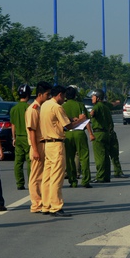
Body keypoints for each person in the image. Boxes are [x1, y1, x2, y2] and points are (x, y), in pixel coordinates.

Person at [39, 85, 86, 217]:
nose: (64, 99)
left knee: (47, 177)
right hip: (56, 143)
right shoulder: (57, 107)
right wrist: (81, 120)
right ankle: (56, 206)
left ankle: (46, 205)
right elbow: (68, 126)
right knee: (56, 177)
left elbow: (58, 121)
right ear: (59, 94)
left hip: (47, 143)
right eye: (64, 96)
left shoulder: (45, 105)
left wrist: (72, 119)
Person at [25, 81, 51, 214]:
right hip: (37, 145)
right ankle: (36, 204)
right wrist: (35, 150)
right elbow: (32, 131)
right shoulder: (33, 109)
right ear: (40, 94)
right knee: (35, 176)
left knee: (43, 175)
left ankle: (43, 200)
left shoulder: (41, 108)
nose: (49, 96)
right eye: (47, 94)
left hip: (44, 144)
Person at [62, 86, 94, 188]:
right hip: (79, 133)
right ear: (75, 95)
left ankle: (73, 181)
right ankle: (86, 180)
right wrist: (90, 133)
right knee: (84, 157)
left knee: (69, 158)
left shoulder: (62, 107)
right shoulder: (80, 105)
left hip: (67, 134)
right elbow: (86, 121)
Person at [10, 84, 31, 190]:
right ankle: (31, 182)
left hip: (18, 137)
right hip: (28, 137)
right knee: (30, 161)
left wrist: (13, 138)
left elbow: (13, 125)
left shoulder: (14, 109)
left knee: (18, 161)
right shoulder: (30, 108)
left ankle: (19, 183)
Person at [90, 89, 113, 183]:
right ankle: (106, 176)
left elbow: (91, 114)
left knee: (99, 156)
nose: (92, 98)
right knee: (106, 156)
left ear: (98, 98)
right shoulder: (106, 107)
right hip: (106, 133)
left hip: (98, 133)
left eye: (93, 96)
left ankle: (100, 177)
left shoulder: (97, 106)